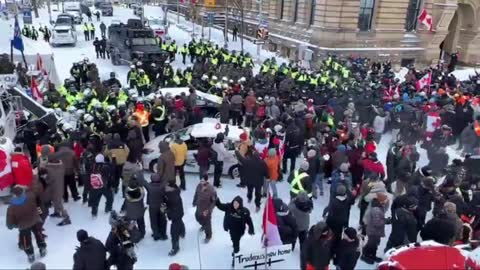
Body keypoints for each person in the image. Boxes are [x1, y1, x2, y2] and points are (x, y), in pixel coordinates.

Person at [6, 186, 46, 263]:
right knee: (39, 234)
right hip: (35, 220)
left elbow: (10, 220)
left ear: (14, 195)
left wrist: (11, 226)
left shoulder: (11, 207)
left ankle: (30, 254)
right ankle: (42, 248)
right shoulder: (30, 197)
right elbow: (38, 205)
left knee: (26, 240)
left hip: (23, 225)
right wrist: (40, 214)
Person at [362, 193, 389, 264]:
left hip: (376, 231)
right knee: (371, 244)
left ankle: (372, 255)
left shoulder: (379, 206)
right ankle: (365, 255)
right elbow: (377, 223)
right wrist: (386, 221)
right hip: (373, 231)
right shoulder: (376, 210)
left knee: (375, 244)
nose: (386, 201)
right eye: (385, 200)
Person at [193, 174, 217, 243]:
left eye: (203, 181)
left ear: (206, 181)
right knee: (197, 217)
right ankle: (203, 225)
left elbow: (213, 202)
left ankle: (208, 236)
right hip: (199, 207)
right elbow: (196, 194)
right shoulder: (199, 186)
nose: (201, 182)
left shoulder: (211, 189)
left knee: (207, 223)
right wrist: (194, 201)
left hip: (206, 209)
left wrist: (209, 210)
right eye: (200, 180)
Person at [164, 181, 185, 256]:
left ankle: (175, 248)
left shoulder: (173, 196)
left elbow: (173, 208)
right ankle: (182, 232)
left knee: (174, 233)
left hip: (175, 215)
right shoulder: (172, 193)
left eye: (167, 187)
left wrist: (166, 209)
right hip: (178, 214)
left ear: (172, 188)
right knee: (180, 222)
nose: (165, 188)